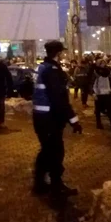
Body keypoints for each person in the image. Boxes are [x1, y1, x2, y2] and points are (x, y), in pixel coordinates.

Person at [32, 41, 82, 196]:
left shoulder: (42, 67)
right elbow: (59, 99)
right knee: (55, 152)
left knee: (47, 150)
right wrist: (73, 120)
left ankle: (40, 183)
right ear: (58, 53)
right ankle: (56, 185)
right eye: (62, 52)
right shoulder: (52, 71)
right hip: (50, 118)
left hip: (41, 117)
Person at [92, 59, 111, 130]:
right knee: (98, 110)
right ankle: (98, 124)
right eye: (101, 63)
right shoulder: (95, 72)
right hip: (99, 93)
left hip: (107, 92)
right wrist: (94, 93)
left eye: (104, 63)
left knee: (109, 110)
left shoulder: (107, 71)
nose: (103, 65)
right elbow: (92, 83)